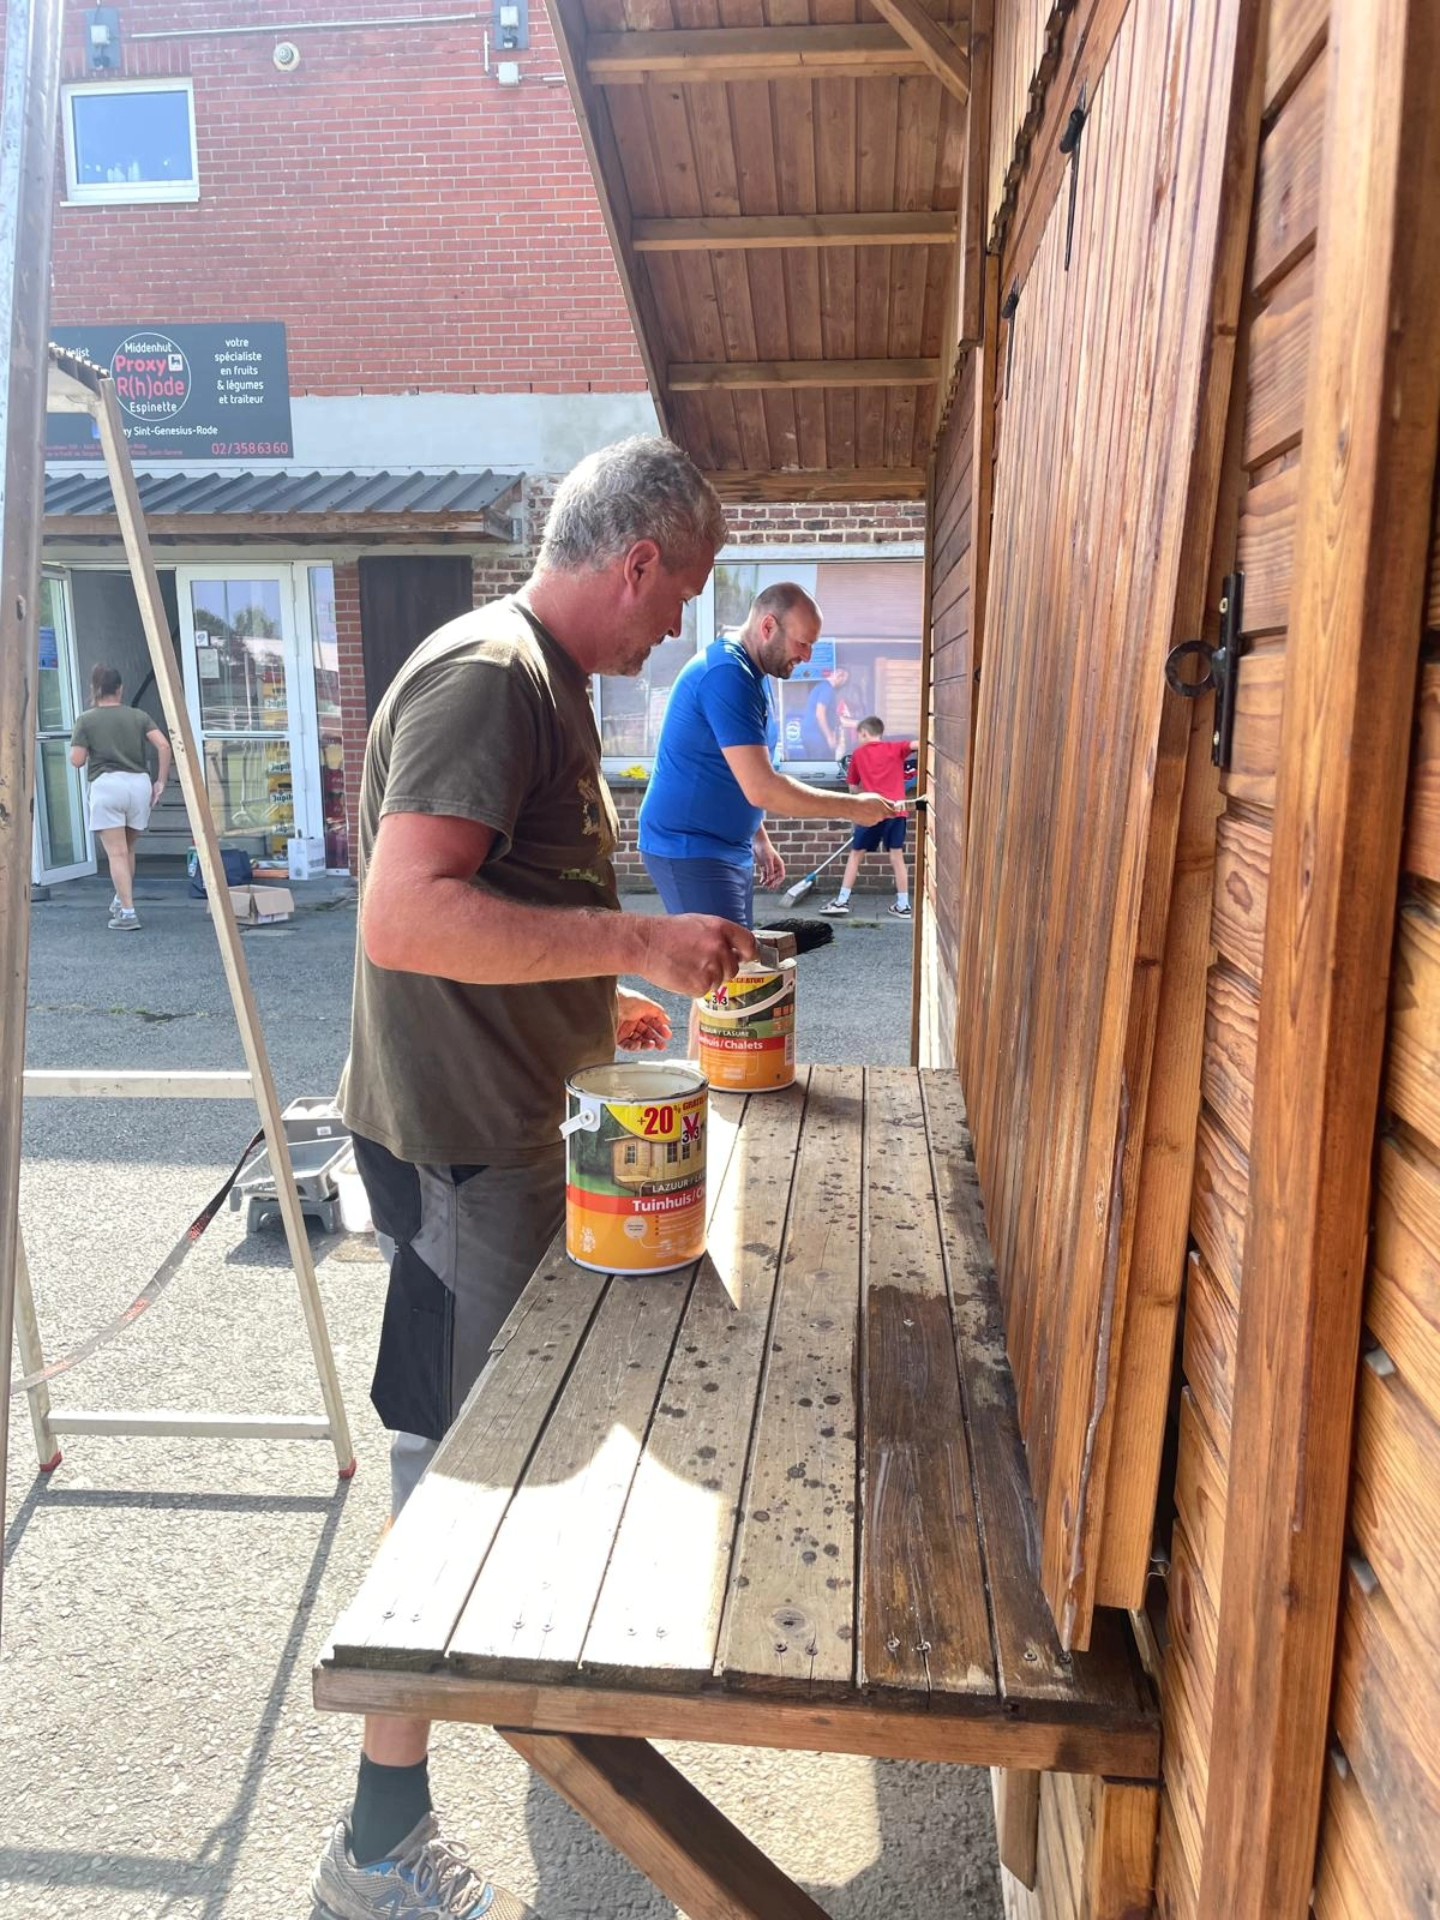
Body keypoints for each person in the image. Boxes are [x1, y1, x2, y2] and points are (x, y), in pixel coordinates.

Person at [311, 437, 755, 1920]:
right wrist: (639, 945)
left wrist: (587, 1006)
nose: (680, 627)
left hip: (514, 1116)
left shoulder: (545, 683)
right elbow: (408, 917)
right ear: (635, 562)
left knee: (505, 1436)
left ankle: (516, 1677)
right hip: (455, 1144)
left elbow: (508, 904)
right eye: (682, 591)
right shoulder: (490, 676)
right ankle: (377, 1844)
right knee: (451, 1464)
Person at [637, 585, 899, 927]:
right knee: (726, 969)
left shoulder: (753, 675)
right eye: (802, 643)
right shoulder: (727, 674)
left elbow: (742, 770)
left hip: (727, 845)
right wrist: (854, 807)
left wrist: (758, 837)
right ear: (768, 627)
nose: (808, 656)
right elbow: (763, 787)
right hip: (690, 847)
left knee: (737, 963)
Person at [68, 665, 172, 932]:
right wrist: (160, 781)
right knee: (128, 849)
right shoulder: (138, 716)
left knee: (115, 853)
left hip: (107, 786)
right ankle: (120, 898)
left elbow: (77, 761)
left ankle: (127, 913)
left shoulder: (86, 720)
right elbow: (163, 744)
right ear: (120, 688)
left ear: (94, 689)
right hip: (138, 785)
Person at [822, 715, 917, 919]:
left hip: (871, 812)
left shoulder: (858, 755)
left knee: (856, 855)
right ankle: (903, 905)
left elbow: (853, 787)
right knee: (896, 856)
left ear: (864, 733)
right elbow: (917, 744)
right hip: (896, 811)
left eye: (859, 735)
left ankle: (842, 901)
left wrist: (859, 806)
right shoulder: (896, 748)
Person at [799, 663, 849, 761]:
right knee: (822, 768)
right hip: (817, 736)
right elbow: (820, 714)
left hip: (810, 735)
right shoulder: (828, 689)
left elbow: (833, 717)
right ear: (839, 674)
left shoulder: (822, 686)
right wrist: (829, 736)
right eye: (844, 679)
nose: (843, 683)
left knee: (816, 768)